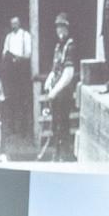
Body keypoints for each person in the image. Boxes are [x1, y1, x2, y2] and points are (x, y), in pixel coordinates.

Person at [38, 13, 79, 163]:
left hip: (64, 92)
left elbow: (68, 73)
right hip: (56, 92)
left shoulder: (70, 46)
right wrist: (49, 80)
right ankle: (56, 154)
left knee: (63, 124)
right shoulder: (58, 46)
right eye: (58, 26)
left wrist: (55, 91)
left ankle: (64, 156)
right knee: (55, 124)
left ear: (68, 28)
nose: (59, 29)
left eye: (62, 26)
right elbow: (55, 68)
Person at [0, 14, 36, 159]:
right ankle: (13, 129)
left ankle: (24, 130)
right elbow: (4, 53)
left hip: (21, 71)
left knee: (23, 101)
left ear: (19, 23)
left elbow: (28, 54)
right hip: (11, 73)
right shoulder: (8, 37)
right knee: (12, 100)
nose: (14, 25)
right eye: (12, 23)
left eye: (16, 23)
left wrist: (17, 59)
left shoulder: (25, 36)